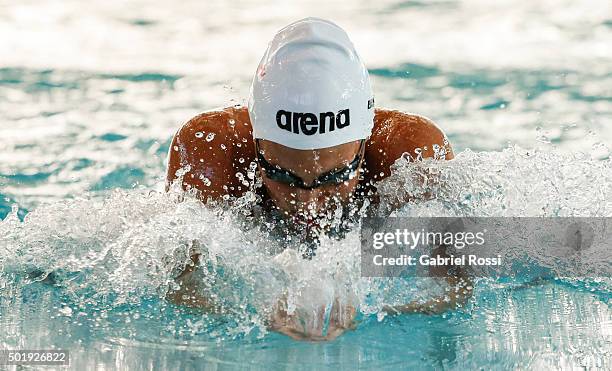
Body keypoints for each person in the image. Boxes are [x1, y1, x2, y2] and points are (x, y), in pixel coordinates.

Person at [164, 17, 470, 340]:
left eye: (334, 176)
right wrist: (252, 308)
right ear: (256, 143)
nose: (309, 205)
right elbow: (176, 288)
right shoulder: (209, 157)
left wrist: (371, 309)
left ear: (363, 144)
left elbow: (462, 288)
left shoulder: (412, 159)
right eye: (285, 176)